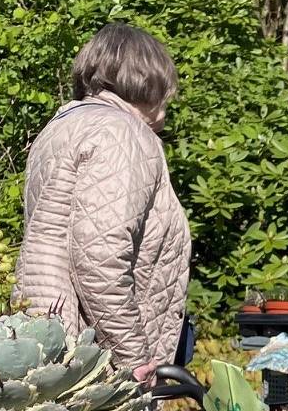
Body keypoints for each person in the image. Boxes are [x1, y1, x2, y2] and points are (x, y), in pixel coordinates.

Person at [15, 22, 190, 383]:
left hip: (53, 332)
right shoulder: (120, 134)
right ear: (148, 82)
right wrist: (135, 357)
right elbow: (100, 260)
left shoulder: (62, 126)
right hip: (94, 353)